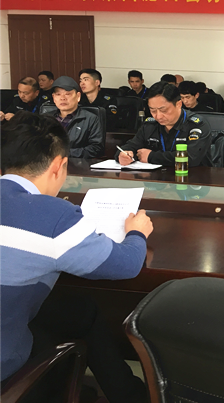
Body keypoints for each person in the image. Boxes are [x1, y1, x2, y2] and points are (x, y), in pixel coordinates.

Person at [0, 112, 152, 403]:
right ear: (59, 166)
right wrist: (137, 232)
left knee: (78, 310)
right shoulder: (53, 216)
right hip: (4, 367)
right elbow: (127, 264)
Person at [115, 81, 211, 167]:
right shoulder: (150, 125)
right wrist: (123, 154)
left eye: (163, 110)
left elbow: (191, 158)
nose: (158, 116)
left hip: (193, 178)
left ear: (179, 104)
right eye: (153, 110)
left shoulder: (197, 125)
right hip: (157, 178)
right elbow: (131, 146)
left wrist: (151, 157)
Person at [43, 76, 104, 159]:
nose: (62, 98)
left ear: (78, 96)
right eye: (58, 94)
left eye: (68, 94)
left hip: (77, 164)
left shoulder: (91, 118)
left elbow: (96, 149)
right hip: (47, 164)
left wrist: (64, 153)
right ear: (53, 98)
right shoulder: (45, 118)